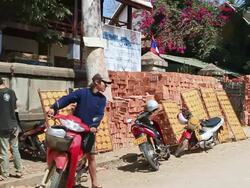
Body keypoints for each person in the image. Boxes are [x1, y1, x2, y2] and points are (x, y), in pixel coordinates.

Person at [47, 73, 112, 188]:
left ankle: (94, 183)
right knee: (64, 147)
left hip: (88, 131)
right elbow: (67, 99)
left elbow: (99, 114)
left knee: (91, 157)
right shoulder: (82, 92)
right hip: (75, 128)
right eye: (104, 83)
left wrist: (93, 125)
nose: (106, 86)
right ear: (97, 82)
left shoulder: (102, 99)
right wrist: (54, 107)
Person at [0, 77, 23, 181]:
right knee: (15, 148)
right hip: (14, 125)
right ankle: (19, 171)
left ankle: (4, 174)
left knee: (4, 151)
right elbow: (14, 107)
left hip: (3, 126)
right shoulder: (12, 92)